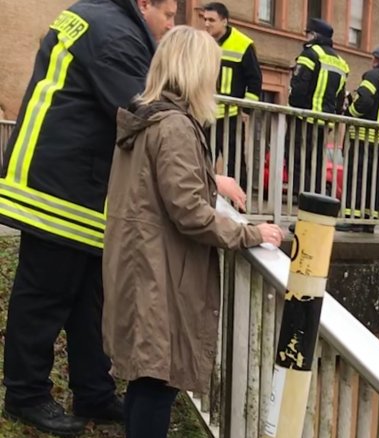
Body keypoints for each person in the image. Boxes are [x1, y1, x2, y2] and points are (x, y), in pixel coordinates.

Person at [0, 0, 176, 435]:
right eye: (169, 14)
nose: (170, 25)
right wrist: (204, 174)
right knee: (44, 296)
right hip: (62, 184)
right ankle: (25, 395)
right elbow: (145, 113)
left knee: (87, 299)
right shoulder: (116, 35)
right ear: (145, 4)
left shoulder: (101, 17)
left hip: (73, 178)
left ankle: (94, 391)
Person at [102, 26, 284, 438]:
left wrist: (210, 178)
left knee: (145, 380)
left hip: (139, 268)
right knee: (157, 384)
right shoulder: (176, 127)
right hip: (157, 276)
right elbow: (190, 213)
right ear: (196, 72)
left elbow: (161, 188)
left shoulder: (144, 119)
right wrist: (251, 234)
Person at [339, 46, 379, 233]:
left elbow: (364, 101)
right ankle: (370, 221)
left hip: (364, 136)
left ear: (374, 60)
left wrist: (350, 113)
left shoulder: (372, 76)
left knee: (357, 177)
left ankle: (353, 219)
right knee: (374, 179)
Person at [201, 2, 262, 189]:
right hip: (205, 113)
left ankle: (239, 205)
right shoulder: (203, 42)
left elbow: (255, 80)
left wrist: (246, 111)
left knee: (234, 163)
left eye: (212, 20)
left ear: (224, 21)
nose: (207, 24)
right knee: (201, 160)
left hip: (231, 116)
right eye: (204, 19)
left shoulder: (243, 44)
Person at [288, 18, 349, 197]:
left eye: (307, 33)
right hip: (324, 123)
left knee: (297, 161)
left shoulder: (310, 54)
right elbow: (340, 98)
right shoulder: (340, 62)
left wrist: (293, 108)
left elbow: (299, 87)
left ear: (314, 35)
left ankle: (302, 205)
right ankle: (313, 207)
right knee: (315, 165)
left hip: (304, 118)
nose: (305, 37)